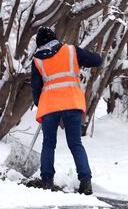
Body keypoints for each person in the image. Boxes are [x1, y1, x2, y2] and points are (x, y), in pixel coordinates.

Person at [31, 27, 102, 195]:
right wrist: (97, 55)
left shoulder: (37, 60)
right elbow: (96, 61)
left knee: (48, 144)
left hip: (49, 106)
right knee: (75, 143)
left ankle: (47, 181)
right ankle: (85, 182)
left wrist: (38, 103)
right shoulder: (71, 51)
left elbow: (35, 87)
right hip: (72, 102)